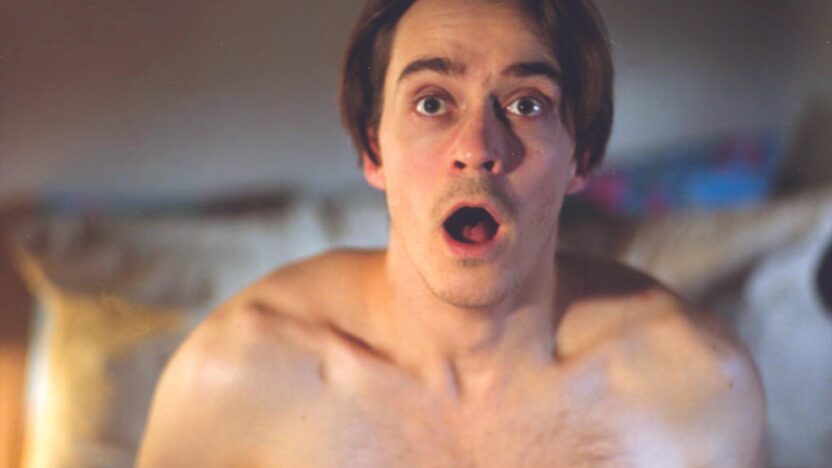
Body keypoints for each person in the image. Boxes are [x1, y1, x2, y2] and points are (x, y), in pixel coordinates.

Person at [138, 0, 766, 466]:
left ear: (581, 156)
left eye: (527, 104)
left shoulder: (699, 384)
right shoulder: (235, 375)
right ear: (374, 149)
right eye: (432, 103)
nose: (477, 148)